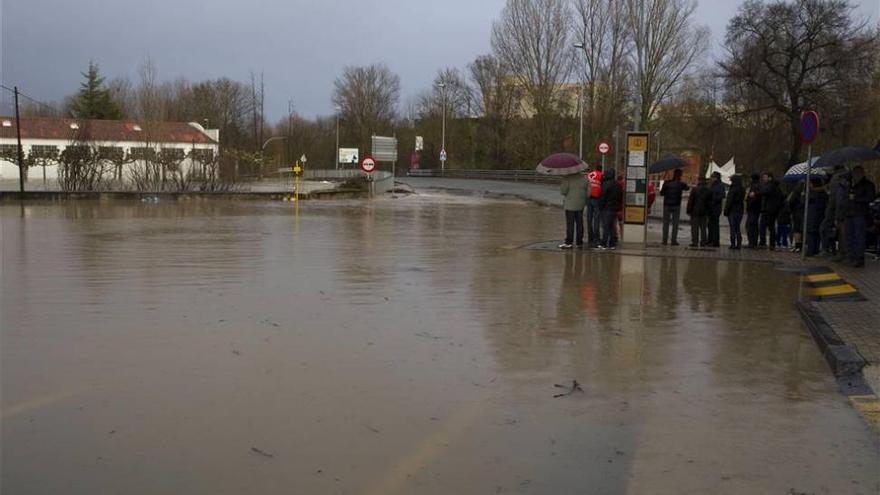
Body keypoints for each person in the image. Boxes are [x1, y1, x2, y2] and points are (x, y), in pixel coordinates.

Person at [845, 165, 877, 267]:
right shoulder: (851, 185)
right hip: (850, 213)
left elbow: (870, 197)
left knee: (859, 236)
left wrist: (857, 199)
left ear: (861, 173)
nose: (855, 175)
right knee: (850, 236)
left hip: (860, 213)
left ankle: (859, 258)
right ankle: (852, 256)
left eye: (857, 173)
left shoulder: (867, 184)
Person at [558, 171, 589, 249]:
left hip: (570, 205)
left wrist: (563, 181)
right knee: (580, 223)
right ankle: (579, 241)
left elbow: (563, 191)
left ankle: (569, 242)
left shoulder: (567, 178)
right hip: (581, 204)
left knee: (570, 224)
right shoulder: (585, 179)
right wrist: (584, 200)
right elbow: (589, 192)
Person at [659, 168, 689, 246]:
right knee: (675, 224)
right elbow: (687, 188)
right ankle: (673, 241)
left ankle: (664, 240)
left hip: (667, 205)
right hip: (676, 205)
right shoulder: (680, 184)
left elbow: (661, 193)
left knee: (666, 223)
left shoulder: (667, 183)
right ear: (680, 175)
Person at [820, 165, 845, 255]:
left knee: (826, 228)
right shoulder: (840, 177)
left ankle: (828, 249)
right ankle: (835, 250)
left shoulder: (837, 177)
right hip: (838, 208)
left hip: (835, 208)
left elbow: (836, 197)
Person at [598, 168, 623, 250]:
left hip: (606, 208)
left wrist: (601, 206)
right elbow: (620, 197)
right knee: (612, 226)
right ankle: (612, 243)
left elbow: (603, 197)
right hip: (614, 208)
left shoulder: (605, 184)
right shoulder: (618, 184)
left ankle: (604, 243)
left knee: (606, 226)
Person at [759, 172, 784, 250]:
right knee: (771, 227)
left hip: (768, 210)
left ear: (770, 178)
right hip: (773, 210)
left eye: (765, 177)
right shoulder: (776, 187)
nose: (763, 179)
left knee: (762, 227)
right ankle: (772, 244)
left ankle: (763, 243)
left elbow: (764, 192)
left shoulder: (770, 186)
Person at [832, 172, 853, 263]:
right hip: (841, 214)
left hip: (845, 215)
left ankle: (846, 255)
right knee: (841, 236)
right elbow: (838, 203)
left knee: (845, 236)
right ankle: (841, 254)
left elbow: (842, 203)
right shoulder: (840, 188)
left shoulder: (847, 189)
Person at [805, 177, 828, 257]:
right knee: (817, 233)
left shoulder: (812, 194)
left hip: (812, 215)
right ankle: (815, 249)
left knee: (811, 233)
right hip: (820, 215)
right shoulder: (824, 193)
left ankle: (811, 250)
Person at [687, 177, 711, 247]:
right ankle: (703, 241)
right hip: (704, 211)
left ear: (699, 181)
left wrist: (689, 210)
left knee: (695, 227)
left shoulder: (695, 189)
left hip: (695, 211)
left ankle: (695, 242)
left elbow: (691, 201)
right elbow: (710, 202)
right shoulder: (708, 190)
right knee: (703, 228)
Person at [724, 174, 745, 249]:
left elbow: (729, 200)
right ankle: (739, 243)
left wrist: (726, 211)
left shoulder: (733, 189)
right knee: (737, 227)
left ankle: (733, 243)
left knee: (732, 227)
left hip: (732, 210)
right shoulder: (742, 189)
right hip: (740, 210)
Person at [585, 165, 603, 248]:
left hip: (588, 197)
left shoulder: (589, 174)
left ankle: (590, 237)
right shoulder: (601, 175)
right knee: (596, 218)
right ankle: (596, 238)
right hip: (596, 198)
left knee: (589, 217)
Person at [708, 171, 726, 247]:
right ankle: (710, 240)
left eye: (712, 177)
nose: (711, 178)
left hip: (715, 208)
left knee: (714, 225)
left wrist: (713, 200)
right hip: (711, 208)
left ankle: (715, 241)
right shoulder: (712, 185)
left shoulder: (720, 185)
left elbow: (722, 195)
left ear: (716, 178)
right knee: (710, 225)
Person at [746, 173, 762, 248]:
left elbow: (753, 197)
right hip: (755, 209)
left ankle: (752, 242)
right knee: (753, 225)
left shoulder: (754, 186)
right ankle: (753, 242)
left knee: (751, 226)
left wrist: (749, 202)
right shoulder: (758, 185)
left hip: (753, 209)